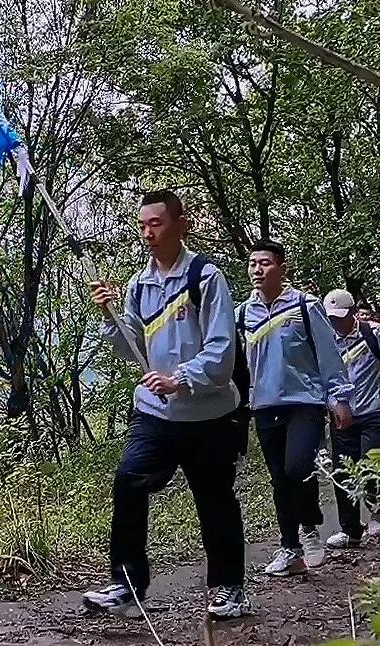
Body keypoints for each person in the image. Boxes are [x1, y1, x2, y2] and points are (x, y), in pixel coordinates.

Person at [84, 190, 249, 619]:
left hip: (209, 413)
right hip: (156, 411)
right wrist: (109, 317)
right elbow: (132, 349)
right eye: (142, 225)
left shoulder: (205, 277)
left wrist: (180, 379)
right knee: (129, 480)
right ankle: (127, 584)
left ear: (181, 225)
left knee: (214, 498)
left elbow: (222, 351)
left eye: (156, 223)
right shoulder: (139, 285)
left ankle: (229, 587)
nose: (148, 233)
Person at [237, 239, 353, 576]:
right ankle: (290, 548)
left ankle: (310, 526)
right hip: (264, 404)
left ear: (281, 268)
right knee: (278, 479)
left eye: (265, 263)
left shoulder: (305, 306)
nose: (257, 270)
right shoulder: (244, 313)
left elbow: (329, 354)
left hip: (305, 402)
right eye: (253, 263)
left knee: (297, 467)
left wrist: (340, 398)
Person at [321, 289, 380, 549]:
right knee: (343, 473)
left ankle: (377, 511)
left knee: (372, 466)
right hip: (341, 416)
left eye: (340, 317)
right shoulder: (324, 340)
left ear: (352, 312)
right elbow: (319, 380)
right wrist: (334, 405)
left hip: (375, 411)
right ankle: (350, 530)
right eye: (331, 318)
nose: (336, 322)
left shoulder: (374, 334)